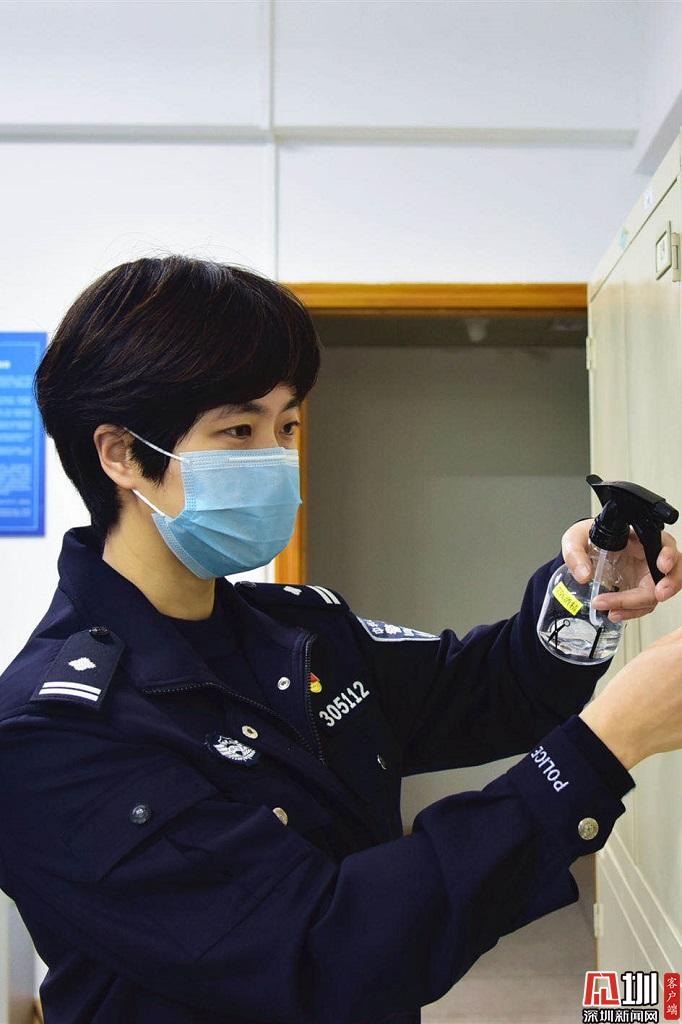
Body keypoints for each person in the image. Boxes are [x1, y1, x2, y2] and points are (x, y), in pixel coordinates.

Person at [0, 255, 680, 1024]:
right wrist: (604, 746)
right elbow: (325, 950)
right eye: (238, 430)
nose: (276, 459)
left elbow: (491, 688)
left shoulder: (299, 631)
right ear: (121, 454)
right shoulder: (51, 737)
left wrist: (587, 591)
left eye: (287, 425)